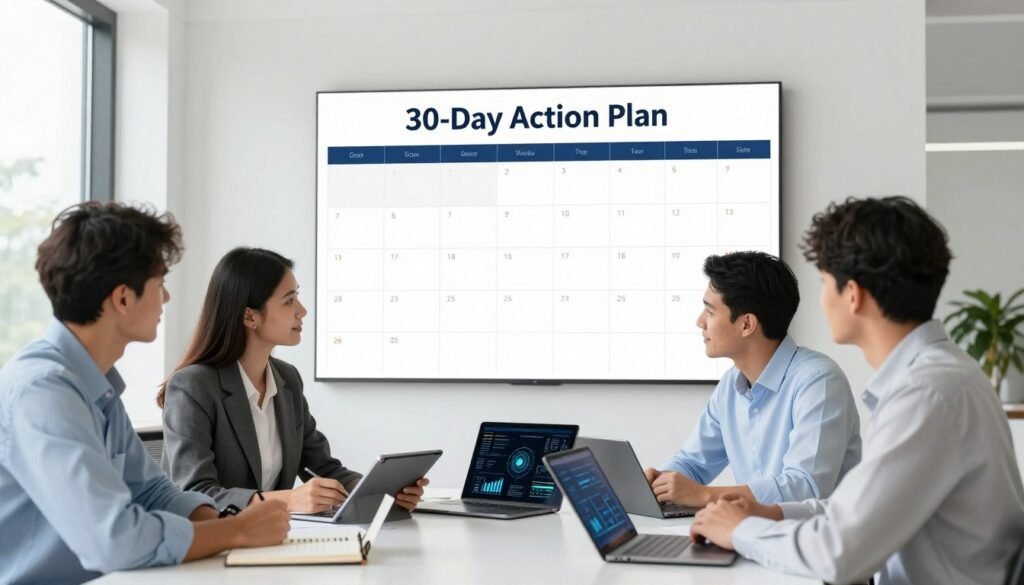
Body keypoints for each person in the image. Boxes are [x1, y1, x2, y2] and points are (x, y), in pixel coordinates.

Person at [690, 196, 1024, 585]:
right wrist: (773, 514)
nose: (819, 299)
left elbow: (839, 553)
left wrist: (738, 530)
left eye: (824, 283)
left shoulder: (927, 394)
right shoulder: (937, 376)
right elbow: (862, 510)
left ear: (853, 294)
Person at [0, 203, 289, 584]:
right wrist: (237, 532)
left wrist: (229, 523)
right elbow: (113, 540)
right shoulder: (43, 391)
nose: (166, 298)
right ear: (122, 299)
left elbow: (150, 491)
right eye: (159, 284)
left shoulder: (95, 387)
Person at [159, 247, 427, 514]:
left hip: (271, 539)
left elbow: (323, 469)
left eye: (297, 297)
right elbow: (196, 492)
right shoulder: (193, 386)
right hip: (211, 544)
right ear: (250, 315)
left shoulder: (287, 379)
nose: (302, 310)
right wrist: (287, 500)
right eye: (288, 301)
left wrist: (381, 492)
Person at [645, 251, 861, 506]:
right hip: (755, 536)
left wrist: (704, 496)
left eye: (710, 311)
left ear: (747, 324)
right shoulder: (731, 384)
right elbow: (693, 463)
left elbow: (805, 486)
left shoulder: (819, 381)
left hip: (817, 541)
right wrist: (657, 482)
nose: (700, 322)